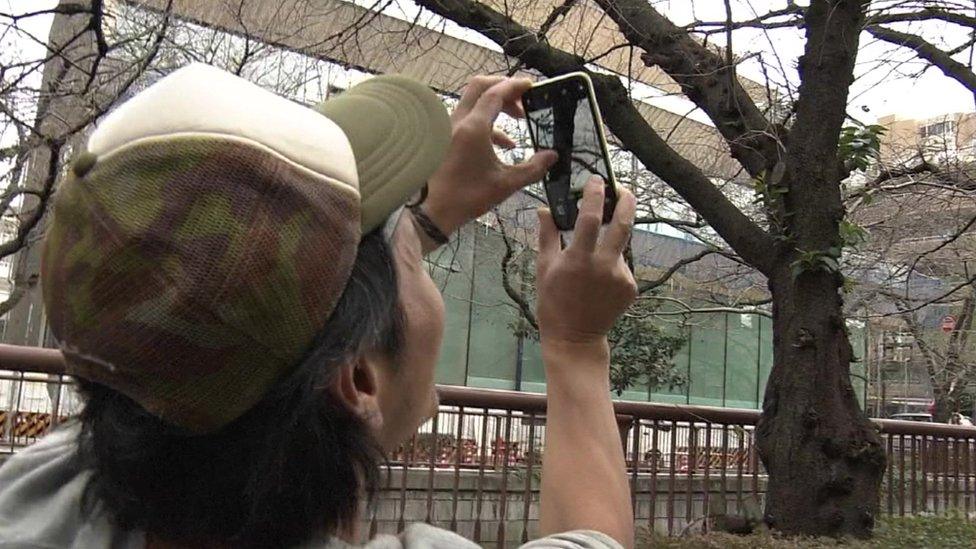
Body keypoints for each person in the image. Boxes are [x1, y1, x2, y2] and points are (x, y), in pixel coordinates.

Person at [0, 63, 638, 549]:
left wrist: (423, 218)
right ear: (358, 377)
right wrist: (576, 345)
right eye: (410, 260)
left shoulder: (34, 493)